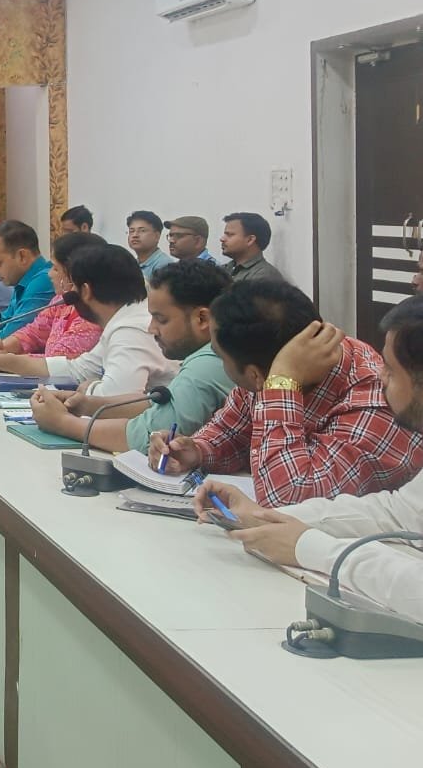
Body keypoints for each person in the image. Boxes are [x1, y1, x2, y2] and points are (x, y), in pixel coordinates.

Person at [192, 297, 423, 619]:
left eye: (391, 370)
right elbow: (401, 512)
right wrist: (265, 518)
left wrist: (309, 547)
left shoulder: (371, 398)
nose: (381, 378)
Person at [150, 281, 423, 505]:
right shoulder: (275, 361)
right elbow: (232, 431)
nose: (382, 374)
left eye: (221, 357)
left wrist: (281, 384)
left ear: (256, 374)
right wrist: (197, 451)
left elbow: (287, 497)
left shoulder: (379, 403)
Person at [29, 259, 234, 452]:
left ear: (202, 318)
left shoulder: (210, 363)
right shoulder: (209, 354)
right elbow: (159, 405)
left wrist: (62, 423)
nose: (152, 329)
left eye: (161, 320)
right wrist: (85, 404)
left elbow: (148, 436)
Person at [0, 244, 170, 397]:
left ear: (85, 290)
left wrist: (90, 387)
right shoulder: (121, 319)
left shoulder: (131, 329)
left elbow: (112, 398)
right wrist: (2, 361)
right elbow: (76, 370)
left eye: (73, 287)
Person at [0, 232, 103, 369]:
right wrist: (2, 347)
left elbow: (61, 361)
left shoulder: (93, 311)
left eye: (56, 268)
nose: (49, 274)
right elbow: (34, 332)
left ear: (75, 273)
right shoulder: (61, 300)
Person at [0, 220, 56, 337]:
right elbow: (7, 318)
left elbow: (12, 334)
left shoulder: (43, 280)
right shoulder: (24, 279)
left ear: (22, 256)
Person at [220, 212, 284, 283]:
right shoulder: (225, 269)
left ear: (250, 240)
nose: (222, 239)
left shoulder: (264, 275)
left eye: (230, 235)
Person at [127, 210, 176, 280]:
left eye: (142, 230)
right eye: (131, 231)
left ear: (157, 236)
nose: (135, 235)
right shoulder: (132, 264)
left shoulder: (164, 265)